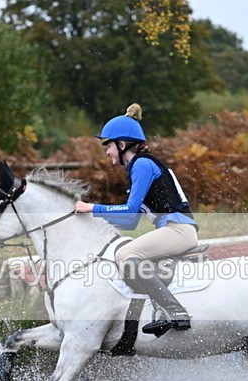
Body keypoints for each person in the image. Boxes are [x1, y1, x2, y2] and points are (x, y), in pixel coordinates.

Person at [74, 103, 197, 336]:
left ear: (121, 145)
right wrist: (92, 221)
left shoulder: (142, 164)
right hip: (173, 228)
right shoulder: (138, 167)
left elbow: (129, 212)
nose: (107, 152)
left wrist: (92, 208)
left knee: (125, 255)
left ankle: (175, 311)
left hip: (178, 229)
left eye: (108, 146)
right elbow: (130, 222)